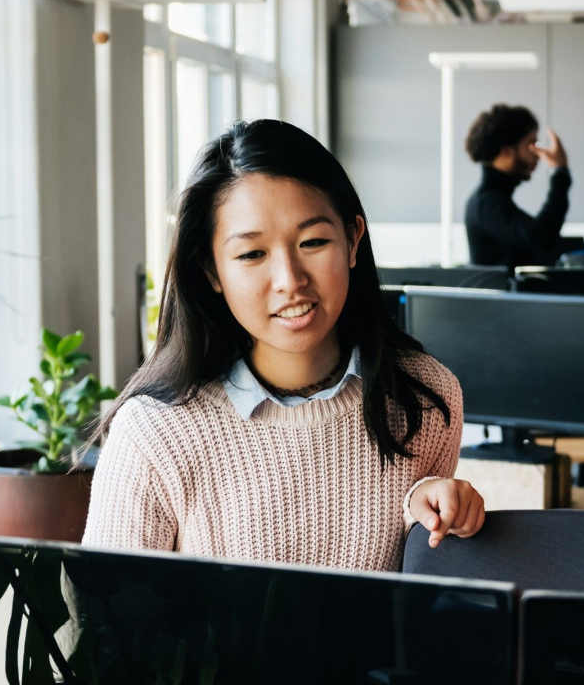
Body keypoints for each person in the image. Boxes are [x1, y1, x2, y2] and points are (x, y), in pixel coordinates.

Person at [84, 119, 485, 571]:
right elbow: (108, 621)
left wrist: (439, 509)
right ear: (212, 271)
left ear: (353, 240)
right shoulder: (155, 431)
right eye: (252, 254)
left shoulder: (423, 397)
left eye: (313, 241)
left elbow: (411, 583)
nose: (290, 280)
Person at [463, 104, 572, 267]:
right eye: (531, 144)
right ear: (506, 152)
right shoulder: (486, 203)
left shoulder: (488, 198)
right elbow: (540, 237)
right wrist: (559, 172)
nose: (538, 154)